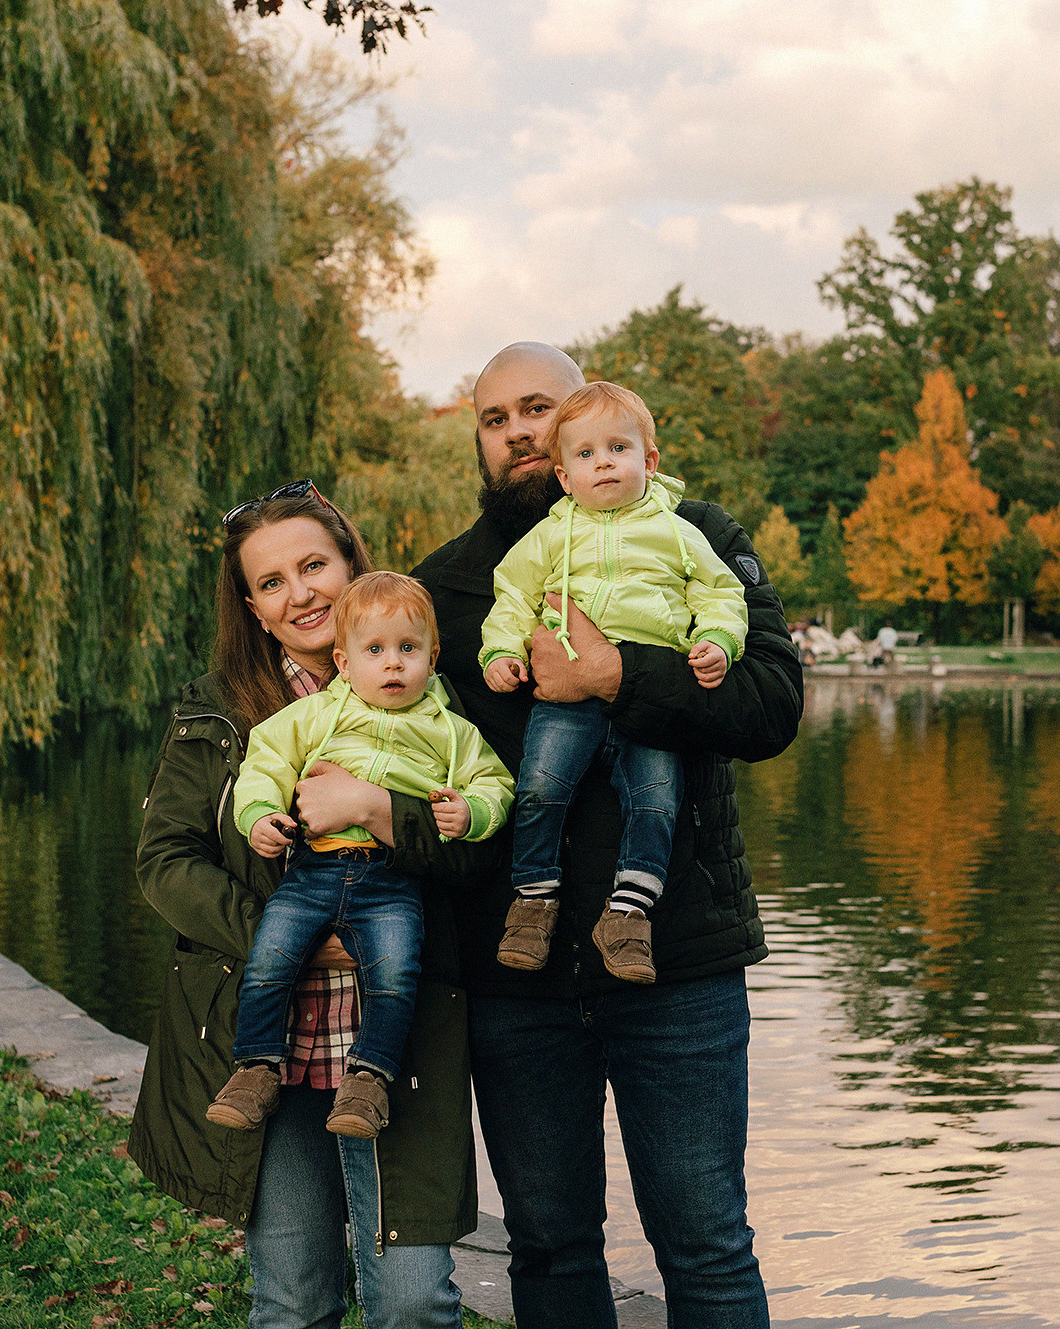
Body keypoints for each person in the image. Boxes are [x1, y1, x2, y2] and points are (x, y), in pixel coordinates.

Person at [412, 342, 804, 1328]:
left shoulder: (693, 533)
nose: (517, 433)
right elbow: (406, 751)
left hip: (676, 959)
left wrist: (621, 676)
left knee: (706, 1246)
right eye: (494, 420)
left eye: (536, 408)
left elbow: (771, 702)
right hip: (516, 981)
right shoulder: (447, 589)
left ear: (585, 413)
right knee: (548, 1248)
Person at [127, 487, 485, 1329]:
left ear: (352, 562)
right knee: (293, 1298)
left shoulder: (430, 698)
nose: (301, 593)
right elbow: (166, 862)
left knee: (414, 1301)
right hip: (271, 1039)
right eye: (273, 582)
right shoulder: (219, 711)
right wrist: (287, 941)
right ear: (253, 608)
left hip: (398, 1039)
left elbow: (479, 850)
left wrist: (377, 807)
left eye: (314, 564)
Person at [208, 572, 512, 1139]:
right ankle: (255, 1067)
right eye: (375, 651)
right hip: (315, 868)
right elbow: (266, 760)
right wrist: (260, 815)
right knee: (272, 955)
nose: (393, 664)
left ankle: (370, 1078)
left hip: (391, 877)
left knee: (395, 971)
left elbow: (494, 783)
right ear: (344, 664)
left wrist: (472, 811)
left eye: (408, 649)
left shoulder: (450, 730)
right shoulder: (319, 715)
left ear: (432, 658)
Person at [479, 381, 747, 984]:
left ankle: (629, 913)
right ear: (564, 477)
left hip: (648, 701)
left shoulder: (679, 532)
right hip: (565, 696)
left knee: (656, 798)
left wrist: (718, 640)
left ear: (648, 462)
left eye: (618, 449)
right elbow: (513, 595)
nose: (603, 463)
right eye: (585, 454)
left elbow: (720, 592)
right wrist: (500, 651)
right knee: (539, 785)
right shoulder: (551, 535)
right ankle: (534, 898)